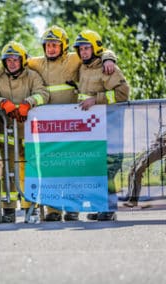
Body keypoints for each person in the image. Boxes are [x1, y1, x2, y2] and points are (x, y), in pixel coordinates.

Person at [27, 25, 117, 222]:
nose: (50, 49)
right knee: (52, 167)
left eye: (55, 45)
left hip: (76, 125)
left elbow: (99, 51)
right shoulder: (37, 63)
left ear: (64, 46)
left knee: (73, 166)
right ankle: (53, 210)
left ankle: (73, 209)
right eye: (47, 45)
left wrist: (110, 58)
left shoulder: (74, 58)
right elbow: (13, 59)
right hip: (50, 128)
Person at [0, 41, 49, 223]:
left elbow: (43, 94)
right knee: (9, 170)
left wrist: (29, 103)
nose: (11, 63)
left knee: (30, 168)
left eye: (15, 60)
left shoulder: (32, 76)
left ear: (23, 60)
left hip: (30, 133)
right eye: (8, 60)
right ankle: (9, 208)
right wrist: (2, 103)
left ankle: (30, 207)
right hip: (8, 133)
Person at [73, 29, 129, 221]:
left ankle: (109, 209)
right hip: (91, 129)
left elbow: (123, 93)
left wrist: (95, 100)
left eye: (87, 48)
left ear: (95, 48)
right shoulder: (82, 67)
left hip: (110, 127)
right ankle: (100, 206)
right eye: (81, 49)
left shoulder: (107, 68)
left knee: (108, 170)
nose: (84, 52)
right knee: (95, 169)